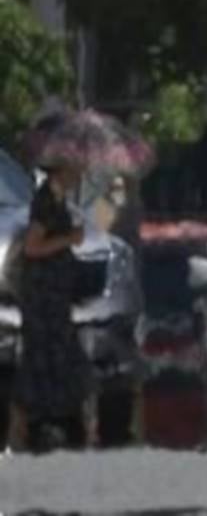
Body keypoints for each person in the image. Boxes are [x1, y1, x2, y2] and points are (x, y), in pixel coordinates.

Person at [11, 163, 97, 451]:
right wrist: (69, 238)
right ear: (61, 170)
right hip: (42, 296)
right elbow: (33, 247)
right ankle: (33, 421)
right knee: (46, 351)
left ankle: (53, 417)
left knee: (57, 350)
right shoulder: (45, 201)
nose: (79, 175)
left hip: (55, 293)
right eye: (74, 170)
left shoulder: (58, 201)